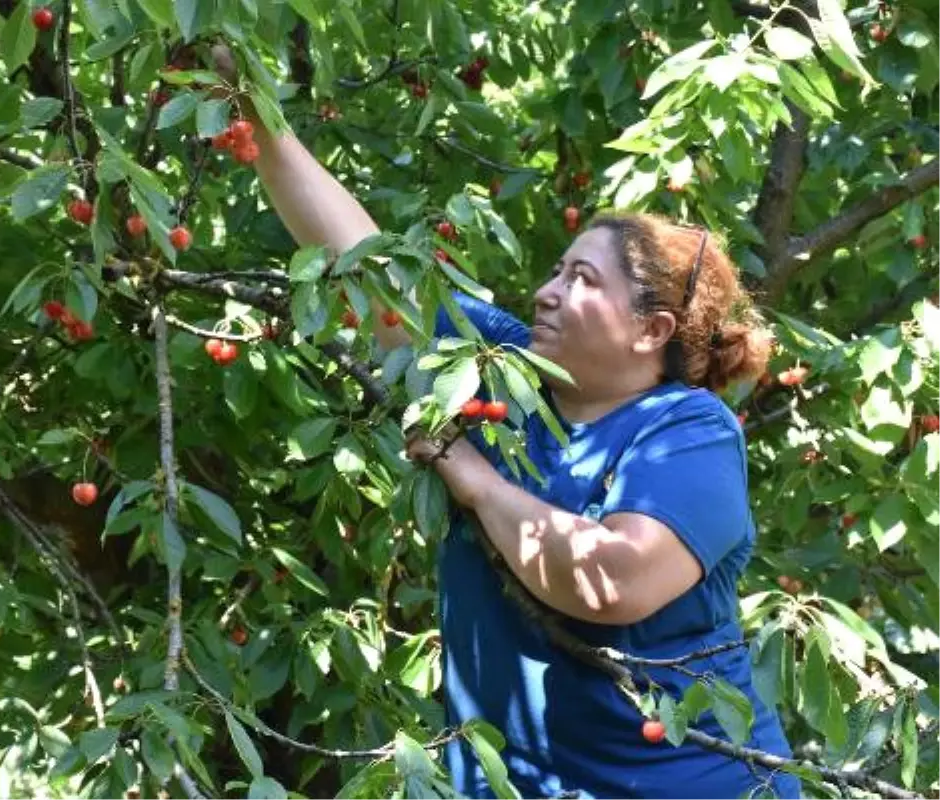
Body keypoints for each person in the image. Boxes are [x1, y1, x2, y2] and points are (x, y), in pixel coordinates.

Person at [221, 49, 800, 799]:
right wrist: (256, 118)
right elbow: (367, 267)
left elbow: (610, 579)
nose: (547, 292)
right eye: (558, 270)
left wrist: (472, 478)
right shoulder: (497, 367)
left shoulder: (687, 430)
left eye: (582, 281)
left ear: (651, 331)